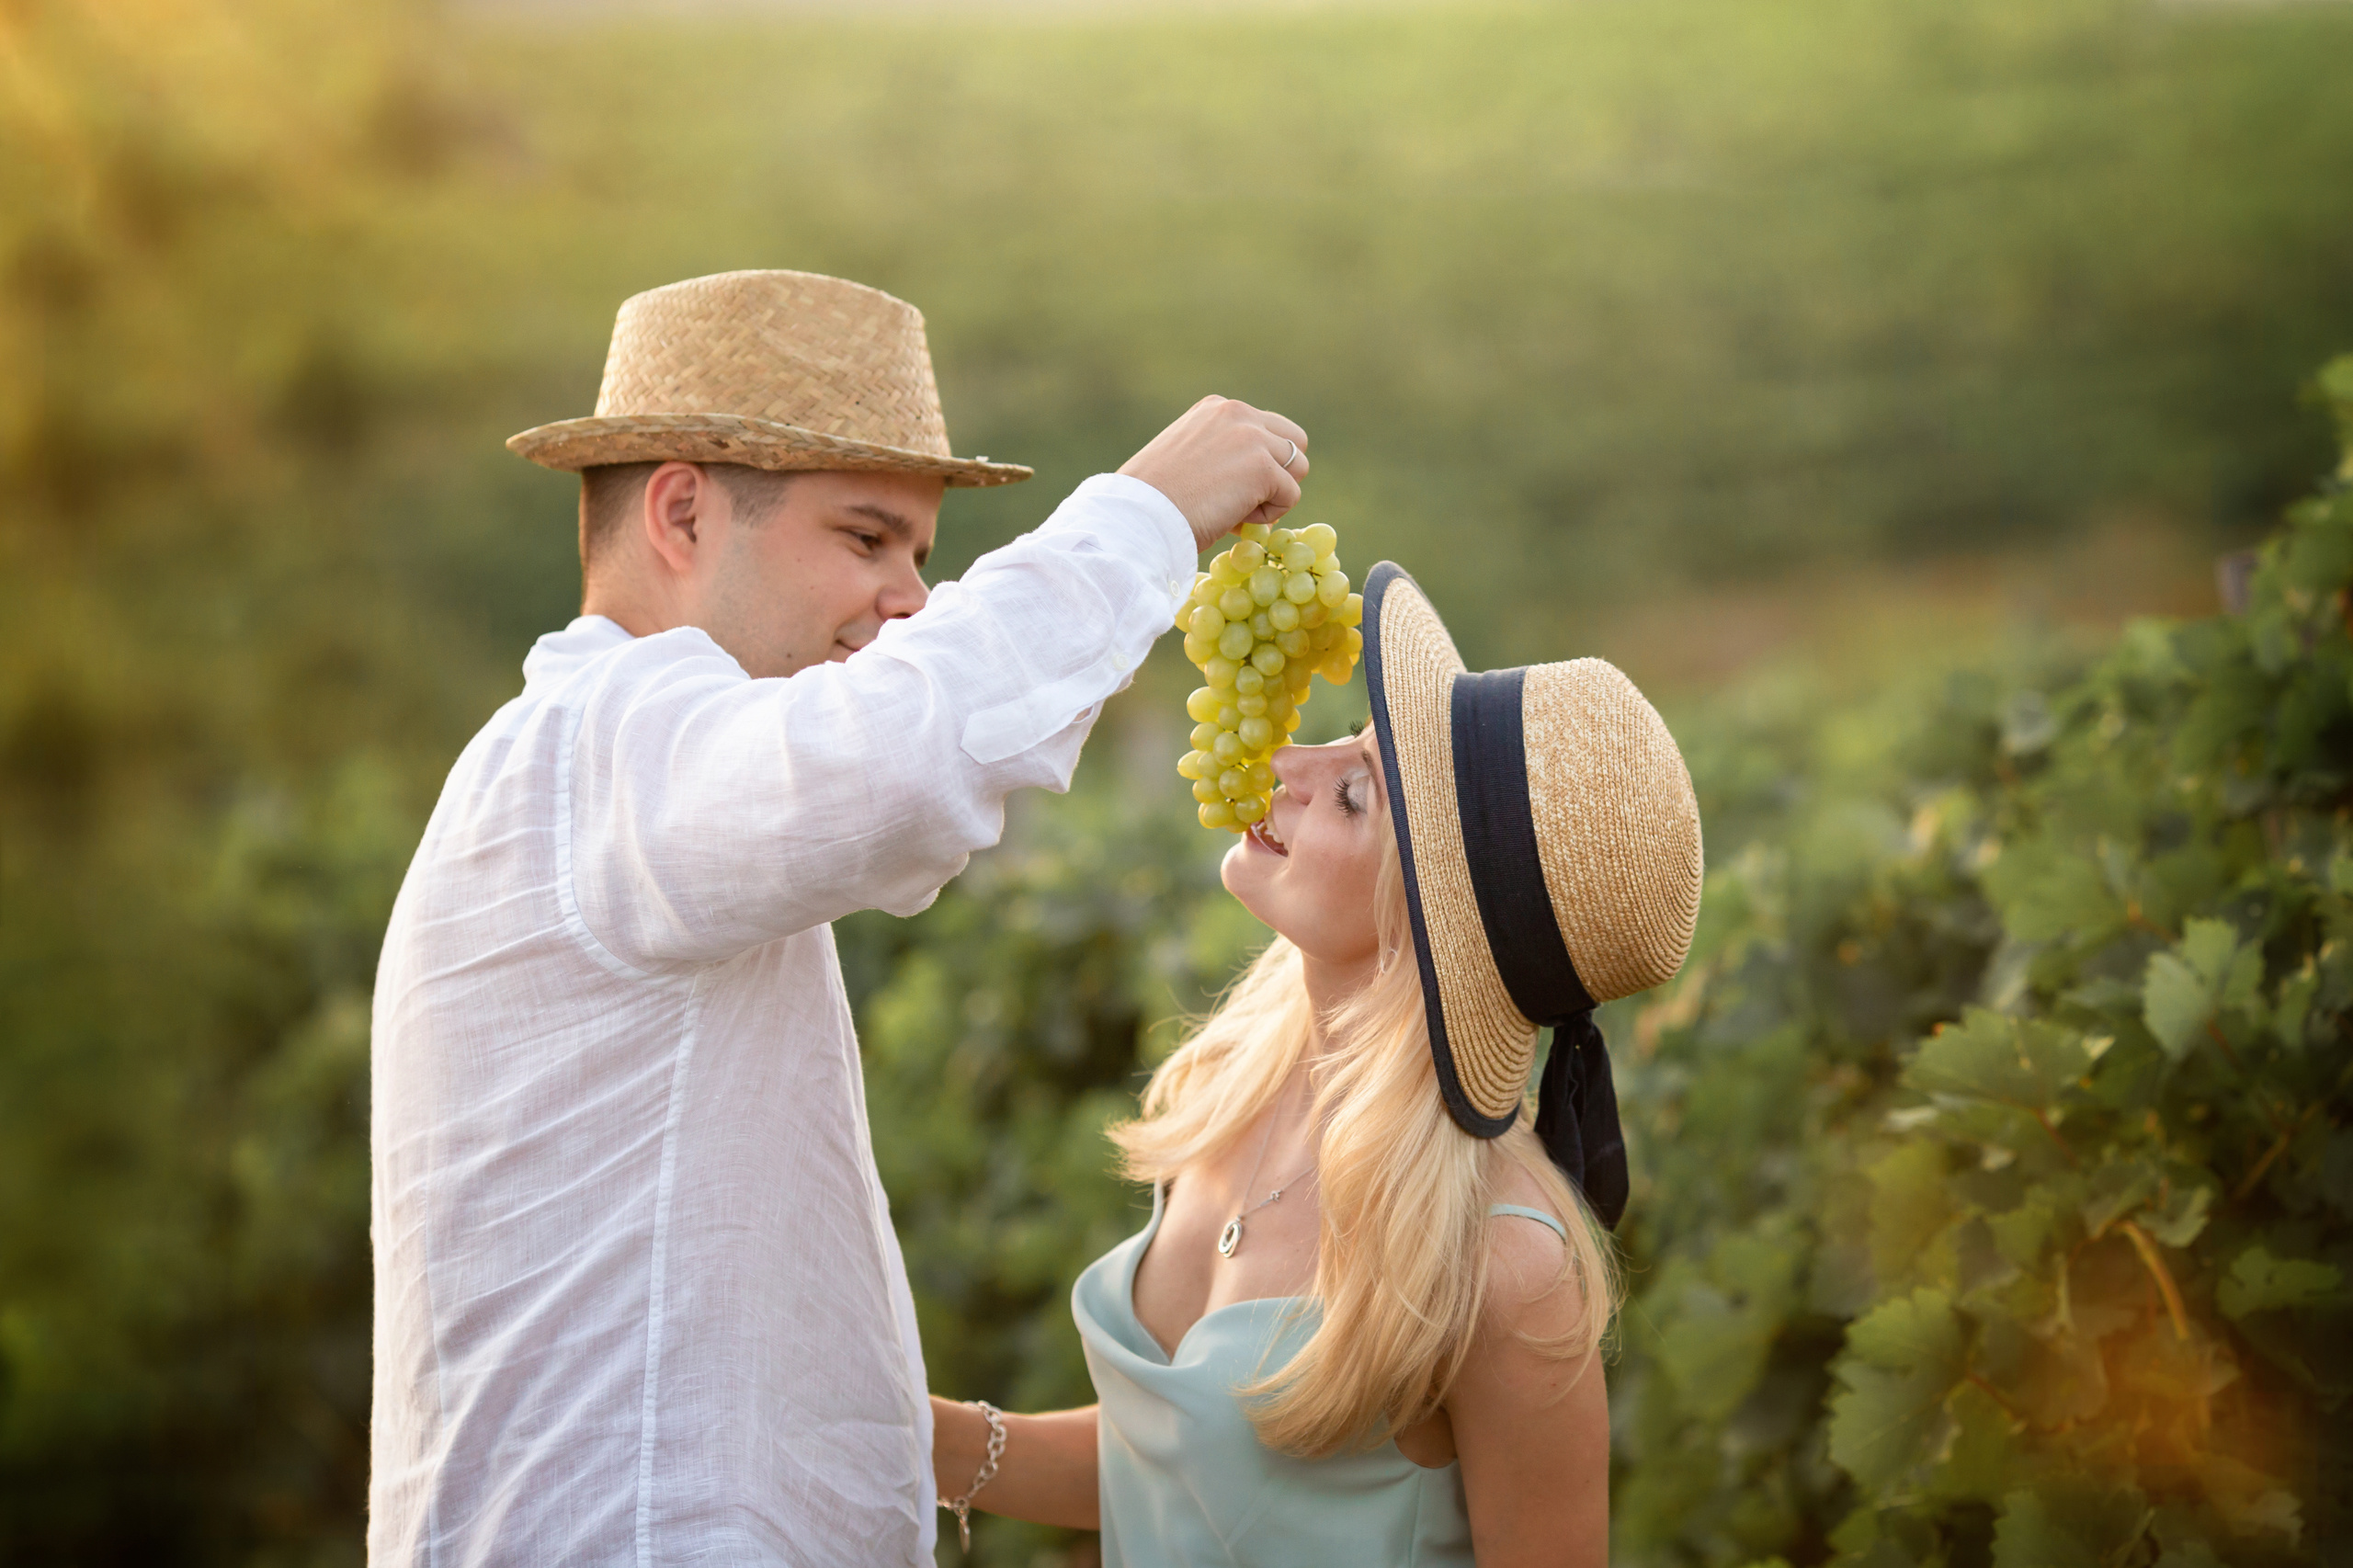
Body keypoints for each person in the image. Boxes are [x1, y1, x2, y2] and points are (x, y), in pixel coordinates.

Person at [368, 268, 1312, 1566]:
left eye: (919, 556)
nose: (910, 597)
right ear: (684, 512)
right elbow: (889, 766)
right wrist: (1144, 517)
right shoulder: (604, 751)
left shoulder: (620, 770)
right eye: (867, 540)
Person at [929, 562, 1704, 1565]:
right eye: (1345, 742)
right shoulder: (1229, 1092)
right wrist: (926, 1437)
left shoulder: (1503, 1263)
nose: (1287, 761)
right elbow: (1197, 1475)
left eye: (1350, 793)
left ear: (1430, 924)